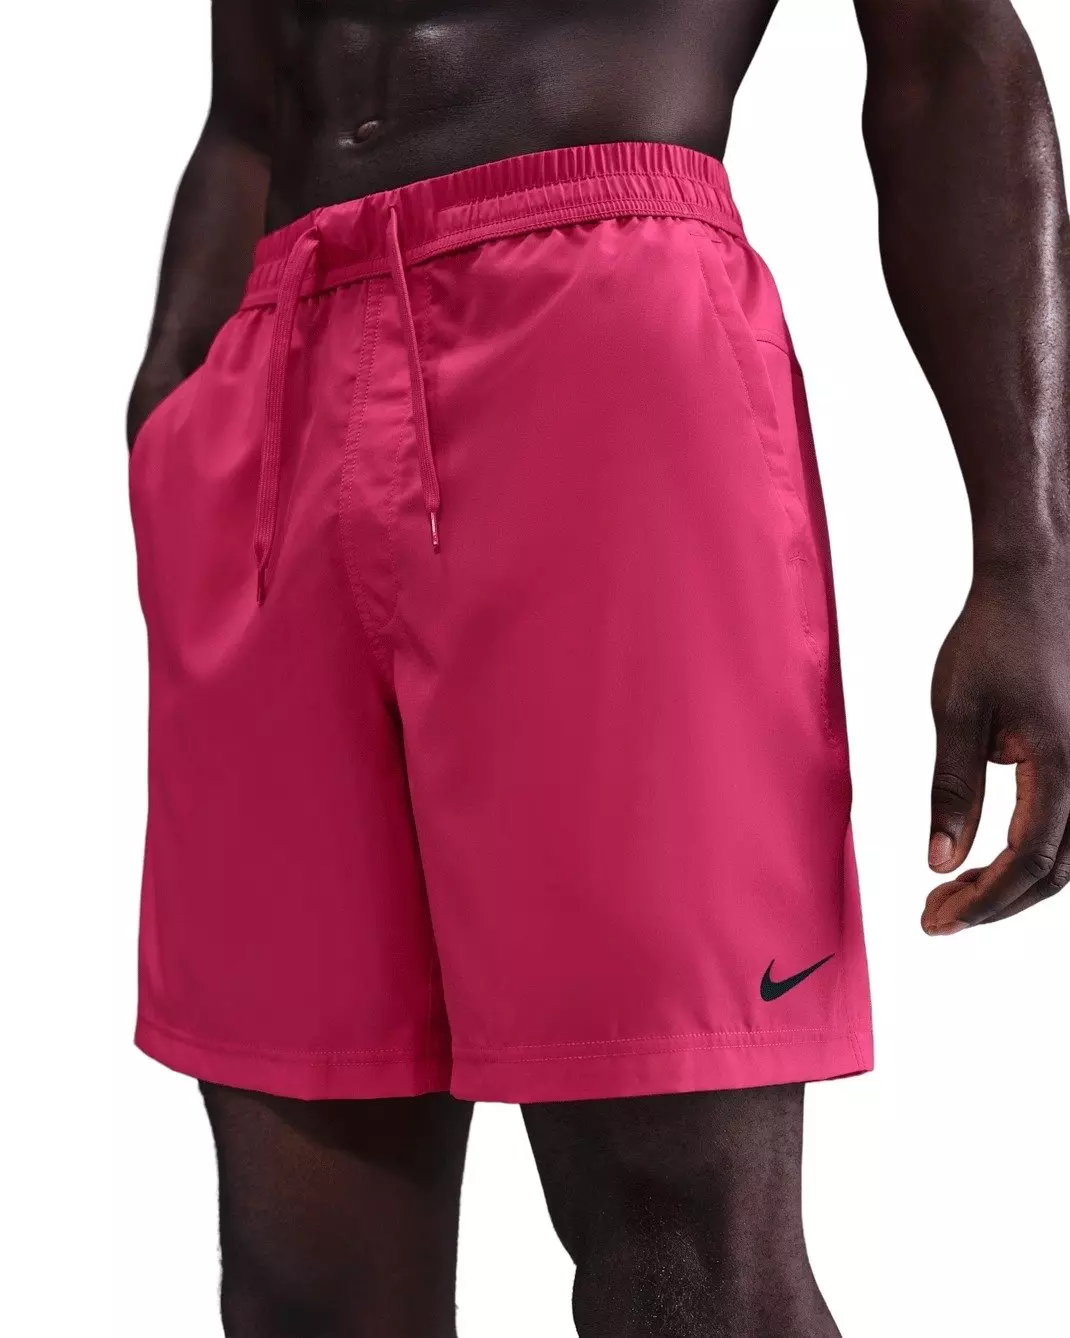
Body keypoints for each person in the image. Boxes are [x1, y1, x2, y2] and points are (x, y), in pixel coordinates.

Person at [126, 2, 1070, 1335]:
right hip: (270, 387)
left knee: (680, 1256)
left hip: (597, 323)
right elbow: (248, 110)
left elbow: (946, 53)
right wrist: (173, 406)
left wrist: (1032, 560)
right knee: (306, 1278)